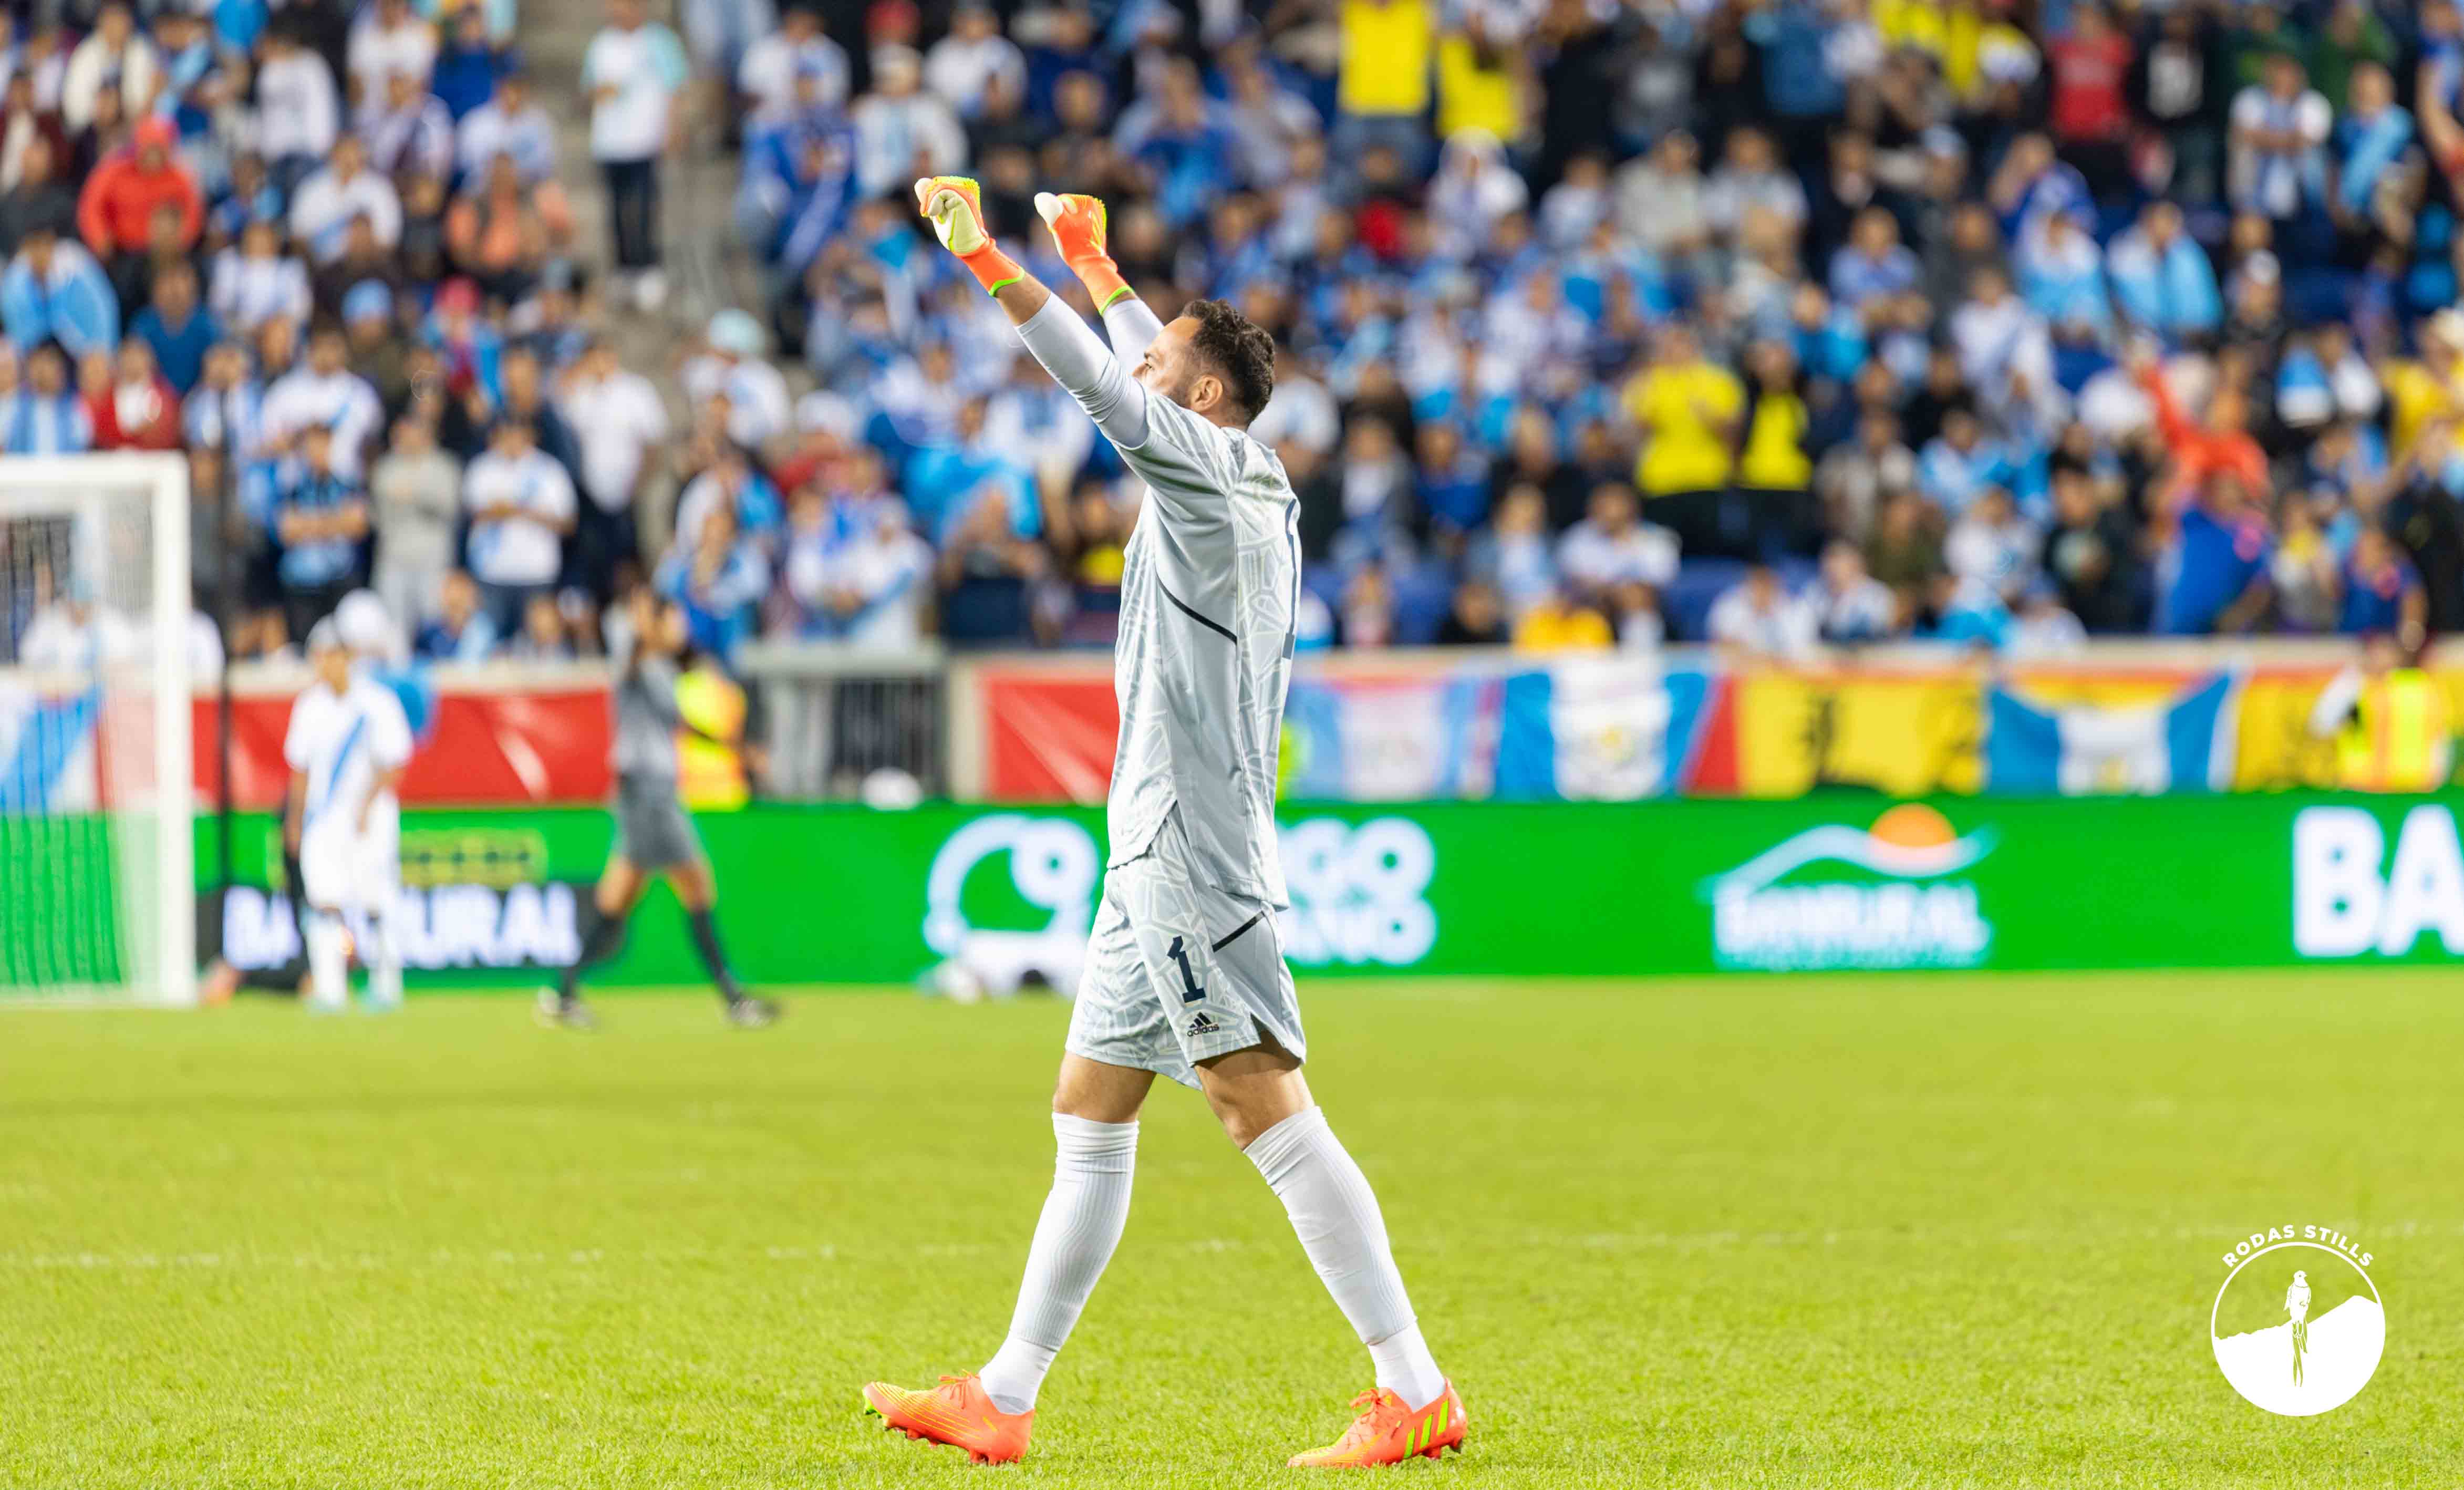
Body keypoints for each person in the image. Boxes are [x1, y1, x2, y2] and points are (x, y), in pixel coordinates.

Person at [860, 179, 1467, 1470]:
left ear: (1196, 397)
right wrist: (1095, 260)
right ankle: (1005, 1395)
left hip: (1189, 844)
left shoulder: (1196, 467)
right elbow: (1147, 356)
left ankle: (1412, 1385)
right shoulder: (1244, 467)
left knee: (1262, 1108)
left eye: (1164, 362)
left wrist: (987, 258)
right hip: (1155, 840)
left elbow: (1105, 382)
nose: (1141, 359)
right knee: (1090, 1107)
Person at [537, 586, 776, 1030]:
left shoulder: (659, 667)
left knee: (617, 901)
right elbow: (674, 715)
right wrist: (737, 750)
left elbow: (678, 720)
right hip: (650, 795)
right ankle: (733, 999)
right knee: (696, 887)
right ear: (654, 624)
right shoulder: (637, 664)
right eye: (672, 618)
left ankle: (564, 993)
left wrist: (733, 748)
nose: (680, 627)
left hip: (645, 795)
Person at [282, 618, 414, 1012]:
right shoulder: (309, 706)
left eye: (331, 656)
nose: (325, 664)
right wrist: (295, 821)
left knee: (376, 900)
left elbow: (395, 762)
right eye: (319, 657)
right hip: (323, 819)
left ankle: (386, 984)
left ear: (349, 656)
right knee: (324, 900)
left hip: (369, 818)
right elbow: (300, 769)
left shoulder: (377, 703)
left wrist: (367, 805)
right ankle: (330, 989)